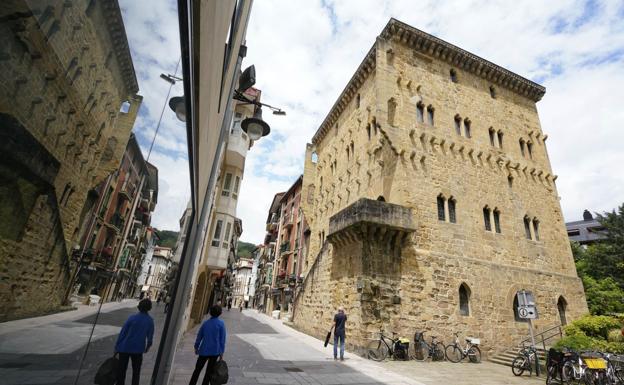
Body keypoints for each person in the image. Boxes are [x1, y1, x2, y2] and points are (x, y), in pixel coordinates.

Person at [115, 298, 154, 385]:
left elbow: (123, 333)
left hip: (124, 347)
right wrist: (147, 347)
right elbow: (150, 337)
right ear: (149, 308)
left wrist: (117, 346)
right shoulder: (150, 321)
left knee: (121, 371)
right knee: (136, 372)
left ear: (139, 307)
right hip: (138, 349)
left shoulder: (132, 318)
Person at [189, 305, 226, 385]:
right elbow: (222, 340)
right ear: (220, 313)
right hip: (215, 352)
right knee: (209, 372)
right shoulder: (221, 324)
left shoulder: (205, 323)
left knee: (197, 370)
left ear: (210, 313)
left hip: (204, 350)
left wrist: (196, 347)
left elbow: (199, 336)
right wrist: (221, 352)